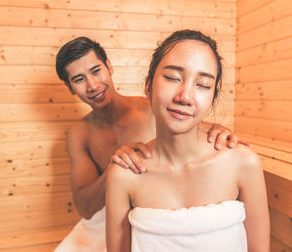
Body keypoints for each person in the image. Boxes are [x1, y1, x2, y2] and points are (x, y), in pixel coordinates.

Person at [54, 36, 242, 251]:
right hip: (110, 218)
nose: (93, 85)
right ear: (70, 87)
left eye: (96, 71)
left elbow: (199, 128)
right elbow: (85, 208)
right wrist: (115, 167)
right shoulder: (79, 135)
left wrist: (221, 131)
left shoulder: (155, 108)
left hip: (159, 209)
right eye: (79, 79)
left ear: (109, 67)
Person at [106, 30, 270, 252]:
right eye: (173, 78)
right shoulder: (124, 174)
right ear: (148, 86)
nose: (185, 97)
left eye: (202, 84)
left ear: (212, 100)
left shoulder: (242, 163)